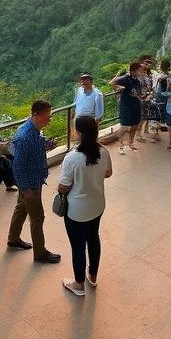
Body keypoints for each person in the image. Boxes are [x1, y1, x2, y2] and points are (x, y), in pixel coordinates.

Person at [58, 115, 113, 297]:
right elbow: (108, 173)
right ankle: (93, 276)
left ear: (79, 133)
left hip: (77, 211)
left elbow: (64, 186)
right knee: (93, 238)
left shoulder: (72, 158)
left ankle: (79, 284)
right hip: (97, 204)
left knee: (78, 246)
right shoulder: (104, 151)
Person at [7, 100, 61, 264]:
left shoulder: (33, 130)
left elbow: (34, 149)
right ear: (36, 115)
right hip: (30, 184)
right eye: (47, 116)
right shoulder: (25, 137)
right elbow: (17, 167)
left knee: (21, 209)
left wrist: (46, 145)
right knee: (38, 218)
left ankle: (13, 239)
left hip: (34, 180)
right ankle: (40, 252)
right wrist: (25, 188)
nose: (49, 119)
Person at [109, 62, 145, 155]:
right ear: (134, 70)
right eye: (140, 71)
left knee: (134, 126)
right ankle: (121, 146)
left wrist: (141, 97)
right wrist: (118, 86)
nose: (141, 72)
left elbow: (137, 93)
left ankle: (131, 143)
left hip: (135, 106)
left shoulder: (137, 81)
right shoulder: (125, 78)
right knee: (124, 127)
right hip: (126, 107)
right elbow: (111, 82)